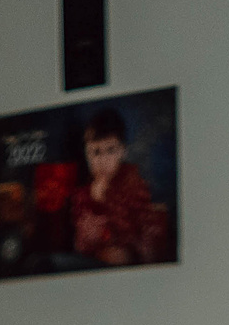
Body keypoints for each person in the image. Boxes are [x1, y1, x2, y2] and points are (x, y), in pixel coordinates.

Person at [70, 109, 171, 268]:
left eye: (111, 150)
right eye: (96, 152)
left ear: (123, 151)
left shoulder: (134, 185)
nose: (103, 160)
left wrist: (107, 200)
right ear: (86, 155)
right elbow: (81, 244)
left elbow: (139, 236)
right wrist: (95, 201)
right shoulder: (82, 195)